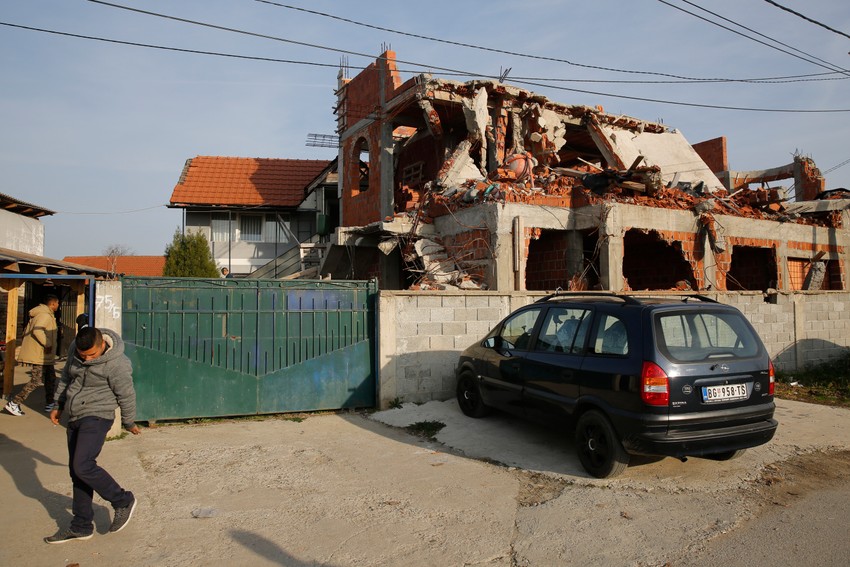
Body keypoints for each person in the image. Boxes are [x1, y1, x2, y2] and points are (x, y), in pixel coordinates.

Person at [45, 326, 141, 544]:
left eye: (92, 355)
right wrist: (59, 403)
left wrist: (128, 422)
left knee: (83, 464)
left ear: (102, 345)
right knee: (77, 472)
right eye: (82, 355)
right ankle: (81, 526)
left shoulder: (118, 364)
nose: (86, 359)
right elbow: (66, 378)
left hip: (98, 415)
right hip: (75, 414)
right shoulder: (75, 350)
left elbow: (126, 394)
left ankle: (122, 500)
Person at [5, 294, 60, 416]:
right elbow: (37, 330)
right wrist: (48, 343)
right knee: (36, 381)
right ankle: (14, 403)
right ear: (52, 304)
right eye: (57, 303)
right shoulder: (44, 315)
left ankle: (50, 403)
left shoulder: (47, 314)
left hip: (45, 356)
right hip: (39, 354)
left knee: (51, 379)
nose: (58, 305)